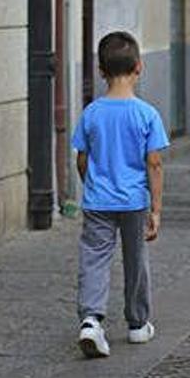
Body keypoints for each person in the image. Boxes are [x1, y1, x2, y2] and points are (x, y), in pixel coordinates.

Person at [72, 31, 169, 359]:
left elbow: (82, 159)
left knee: (95, 258)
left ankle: (91, 320)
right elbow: (154, 163)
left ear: (100, 70)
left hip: (98, 200)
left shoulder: (91, 113)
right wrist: (155, 209)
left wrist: (91, 184)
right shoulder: (146, 115)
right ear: (139, 67)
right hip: (133, 201)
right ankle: (138, 324)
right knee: (136, 260)